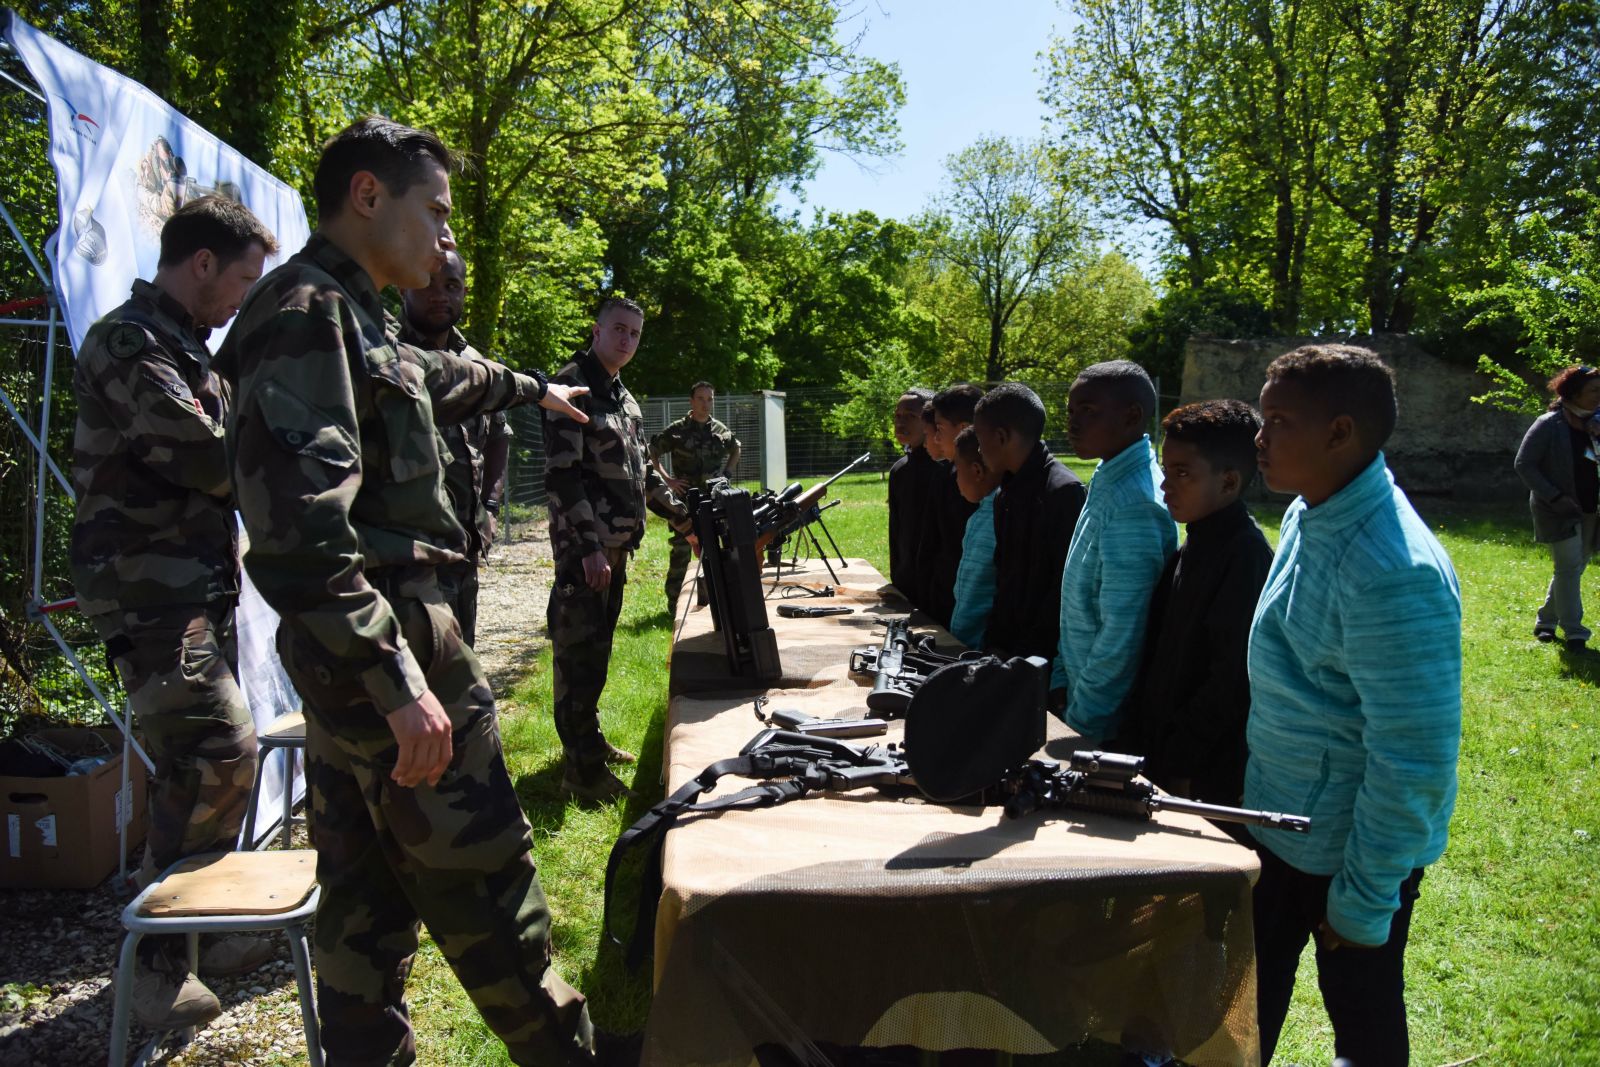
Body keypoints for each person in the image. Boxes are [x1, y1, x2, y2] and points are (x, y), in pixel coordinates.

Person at [218, 116, 606, 1066]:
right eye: (432, 211)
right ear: (366, 196)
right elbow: (302, 535)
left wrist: (531, 388)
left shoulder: (353, 315)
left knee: (364, 907)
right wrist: (399, 679)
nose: (444, 236)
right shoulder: (308, 312)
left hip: (363, 643)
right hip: (386, 633)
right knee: (485, 887)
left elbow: (442, 373)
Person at [70, 195, 277, 1029]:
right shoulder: (131, 342)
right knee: (218, 750)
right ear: (201, 264)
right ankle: (154, 968)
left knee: (196, 763)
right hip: (147, 593)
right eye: (239, 280)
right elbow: (199, 453)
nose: (240, 298)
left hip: (191, 588)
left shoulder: (190, 347)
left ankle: (200, 922)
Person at [1247, 344, 1462, 1066]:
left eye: (1279, 421)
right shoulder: (1318, 508)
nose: (1260, 437)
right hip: (1283, 826)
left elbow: (1415, 759)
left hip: (1344, 852)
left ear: (1340, 434)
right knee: (1244, 1008)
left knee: (1364, 1026)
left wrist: (1364, 899)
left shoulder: (1392, 569)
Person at [544, 297, 691, 803]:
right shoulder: (573, 389)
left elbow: (643, 473)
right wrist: (588, 548)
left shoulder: (624, 398)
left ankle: (590, 743)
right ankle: (580, 773)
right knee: (577, 660)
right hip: (586, 555)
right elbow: (564, 477)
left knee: (598, 654)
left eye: (635, 333)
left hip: (614, 554)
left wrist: (681, 518)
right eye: (619, 330)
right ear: (597, 329)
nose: (627, 341)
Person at [1112, 400, 1272, 809]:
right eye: (1166, 471)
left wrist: (1181, 761)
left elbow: (1230, 679)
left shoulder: (1244, 556)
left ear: (1229, 482)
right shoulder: (1192, 544)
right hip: (1159, 750)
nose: (1166, 485)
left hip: (1201, 771)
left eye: (1183, 473)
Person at [1054, 360, 1177, 740]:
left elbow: (1122, 637)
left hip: (1098, 721)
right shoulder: (1112, 475)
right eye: (1071, 411)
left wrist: (1084, 723)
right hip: (1077, 693)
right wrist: (1061, 676)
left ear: (1132, 416)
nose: (1073, 423)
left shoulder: (1135, 505)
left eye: (1088, 412)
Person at [398, 248, 512, 646]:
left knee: (461, 662)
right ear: (403, 287)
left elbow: (499, 435)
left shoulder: (476, 363)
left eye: (451, 285)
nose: (439, 294)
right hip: (406, 563)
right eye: (427, 283)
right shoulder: (382, 354)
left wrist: (491, 507)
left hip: (463, 551)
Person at [972, 383, 1085, 672]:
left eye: (980, 438)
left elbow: (1060, 589)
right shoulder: (1005, 492)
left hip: (1040, 659)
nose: (978, 449)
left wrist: (1024, 655)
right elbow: (1004, 574)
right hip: (1004, 649)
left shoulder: (1063, 492)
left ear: (1000, 437)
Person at [1513, 364, 1600, 650]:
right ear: (1574, 393)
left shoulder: (1596, 423)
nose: (1599, 396)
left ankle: (1545, 622)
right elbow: (1524, 464)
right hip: (1557, 509)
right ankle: (1575, 631)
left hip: (1591, 508)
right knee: (1567, 567)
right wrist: (1555, 497)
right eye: (1594, 391)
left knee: (1574, 567)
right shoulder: (1548, 423)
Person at [649, 380, 741, 612]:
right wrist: (668, 480)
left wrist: (726, 474)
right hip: (685, 502)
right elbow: (652, 453)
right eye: (700, 398)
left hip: (713, 500)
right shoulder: (677, 430)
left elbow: (736, 448)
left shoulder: (720, 430)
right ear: (691, 401)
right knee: (681, 550)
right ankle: (674, 603)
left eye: (710, 399)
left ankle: (720, 599)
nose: (705, 404)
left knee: (719, 548)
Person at [921, 383, 984, 629]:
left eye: (940, 429)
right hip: (943, 599)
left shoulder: (991, 483)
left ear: (964, 429)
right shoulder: (944, 476)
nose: (936, 438)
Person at [887, 388, 941, 610]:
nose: (901, 423)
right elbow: (896, 532)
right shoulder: (900, 470)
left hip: (936, 587)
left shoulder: (944, 469)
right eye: (898, 416)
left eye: (911, 416)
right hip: (905, 584)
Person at [948, 426, 1002, 649]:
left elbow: (975, 594)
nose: (955, 480)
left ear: (977, 471)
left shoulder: (994, 519)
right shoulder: (982, 514)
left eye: (957, 471)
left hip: (977, 646)